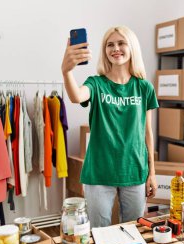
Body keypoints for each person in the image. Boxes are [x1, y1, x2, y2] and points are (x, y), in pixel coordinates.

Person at [61, 26, 158, 228]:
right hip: (99, 171)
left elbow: (147, 133)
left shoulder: (144, 87)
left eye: (121, 43)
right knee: (100, 232)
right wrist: (66, 71)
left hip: (134, 170)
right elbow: (76, 96)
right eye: (110, 44)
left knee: (132, 231)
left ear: (131, 47)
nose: (116, 48)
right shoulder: (96, 84)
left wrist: (152, 172)